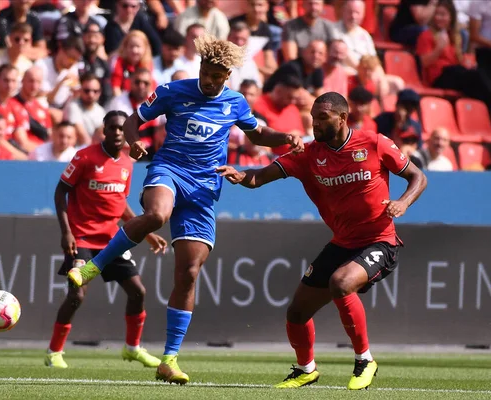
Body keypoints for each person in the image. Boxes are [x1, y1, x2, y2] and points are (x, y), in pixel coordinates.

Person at [67, 33, 304, 384]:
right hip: (169, 169)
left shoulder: (235, 103)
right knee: (158, 215)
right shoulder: (172, 91)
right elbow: (134, 120)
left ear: (227, 77)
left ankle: (169, 359)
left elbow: (257, 135)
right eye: (206, 72)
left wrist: (286, 137)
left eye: (217, 76)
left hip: (205, 187)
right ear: (200, 67)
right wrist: (134, 143)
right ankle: (94, 266)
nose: (209, 81)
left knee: (189, 272)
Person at [216, 92, 427, 390]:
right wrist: (240, 175)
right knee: (297, 313)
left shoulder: (374, 143)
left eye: (322, 118)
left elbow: (418, 177)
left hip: (379, 241)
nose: (314, 123)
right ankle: (306, 370)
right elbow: (259, 178)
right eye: (313, 117)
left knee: (341, 283)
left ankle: (365, 360)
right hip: (342, 243)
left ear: (342, 118)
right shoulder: (307, 154)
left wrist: (404, 203)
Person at [45, 110, 167, 369]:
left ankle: (132, 349)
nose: (118, 133)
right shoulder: (85, 157)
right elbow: (60, 191)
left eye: (122, 128)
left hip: (112, 240)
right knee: (77, 294)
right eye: (112, 128)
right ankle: (54, 351)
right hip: (82, 238)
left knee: (138, 291)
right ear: (104, 130)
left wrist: (145, 231)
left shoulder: (126, 163)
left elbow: (120, 204)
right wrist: (66, 232)